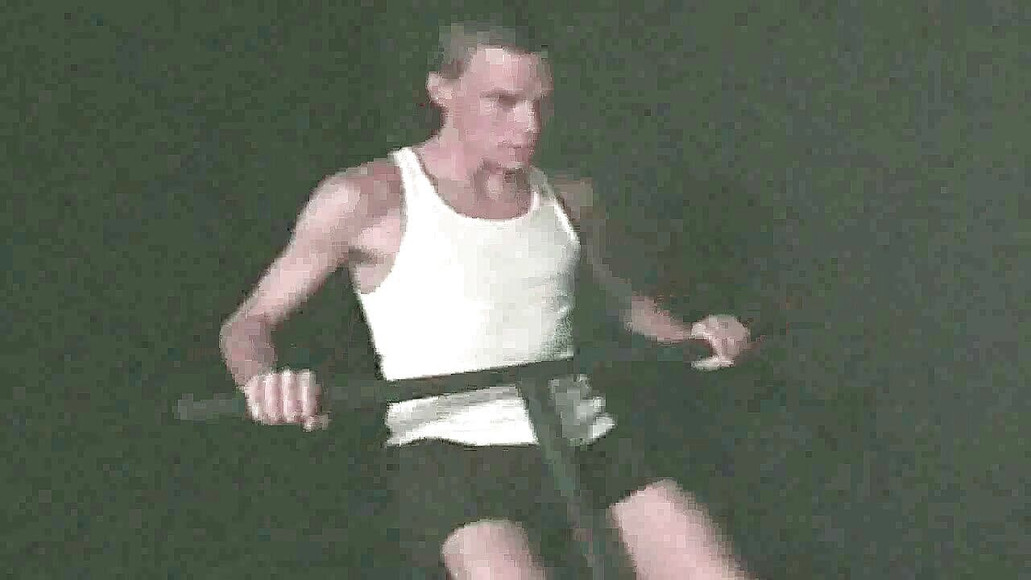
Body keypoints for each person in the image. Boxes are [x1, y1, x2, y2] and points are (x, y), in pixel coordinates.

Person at [219, 20, 756, 579]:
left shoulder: (571, 198)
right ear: (441, 90)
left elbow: (621, 300)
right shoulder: (364, 197)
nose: (529, 125)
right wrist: (263, 382)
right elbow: (248, 323)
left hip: (583, 438)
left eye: (541, 103)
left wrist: (694, 334)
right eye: (503, 101)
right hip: (453, 460)